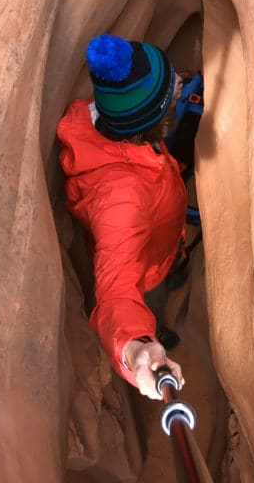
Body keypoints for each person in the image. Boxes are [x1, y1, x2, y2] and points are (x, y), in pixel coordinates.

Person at [57, 34, 190, 400]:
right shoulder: (123, 199)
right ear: (159, 123)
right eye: (173, 89)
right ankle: (160, 330)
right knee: (158, 302)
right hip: (148, 271)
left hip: (161, 233)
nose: (180, 83)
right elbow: (116, 292)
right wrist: (136, 348)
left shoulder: (118, 125)